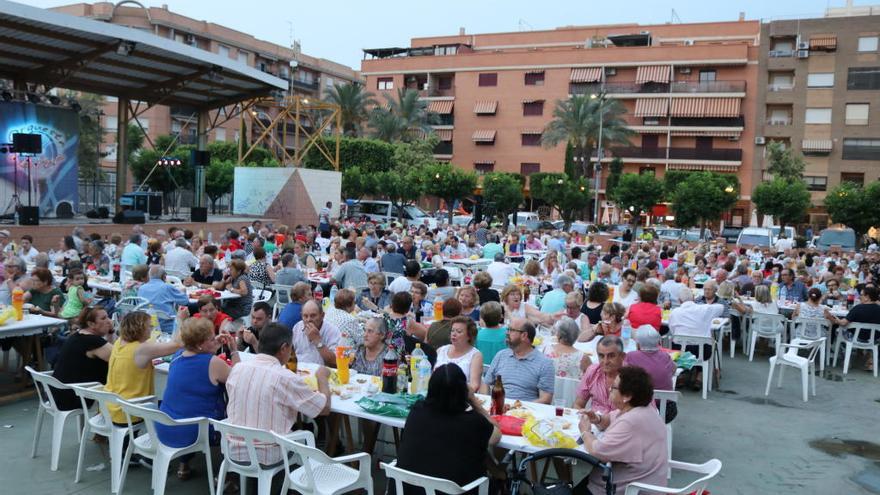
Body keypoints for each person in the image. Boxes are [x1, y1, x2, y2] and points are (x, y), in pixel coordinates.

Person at [226, 322, 331, 465]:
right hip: (268, 454)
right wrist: (322, 378)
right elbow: (323, 409)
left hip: (233, 450)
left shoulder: (237, 369)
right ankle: (298, 483)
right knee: (306, 436)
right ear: (284, 348)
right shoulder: (285, 378)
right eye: (291, 348)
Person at [397, 364, 500, 495]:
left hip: (406, 489)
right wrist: (473, 400)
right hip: (455, 490)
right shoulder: (474, 422)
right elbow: (496, 435)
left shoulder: (417, 411)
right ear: (463, 390)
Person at [155, 318, 238, 480]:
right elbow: (240, 378)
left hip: (165, 427)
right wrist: (234, 350)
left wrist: (213, 346)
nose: (215, 340)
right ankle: (227, 477)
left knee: (187, 407)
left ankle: (183, 465)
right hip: (192, 431)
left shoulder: (178, 356)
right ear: (200, 344)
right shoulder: (212, 363)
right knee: (235, 425)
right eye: (211, 338)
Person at [578, 366, 668, 495]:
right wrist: (597, 418)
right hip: (644, 481)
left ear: (627, 396)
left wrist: (585, 431)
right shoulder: (644, 409)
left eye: (614, 387)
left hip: (625, 488)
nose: (609, 389)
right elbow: (609, 418)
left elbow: (596, 450)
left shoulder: (631, 421)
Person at [105, 311, 182, 425]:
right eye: (149, 326)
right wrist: (181, 319)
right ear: (140, 328)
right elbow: (177, 345)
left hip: (110, 405)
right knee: (173, 406)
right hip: (130, 409)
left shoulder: (119, 342)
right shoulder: (141, 349)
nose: (151, 328)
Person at [49, 307, 114, 410]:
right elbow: (120, 358)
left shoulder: (77, 336)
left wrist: (110, 332)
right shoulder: (92, 342)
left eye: (108, 317)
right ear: (91, 324)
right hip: (74, 397)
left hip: (59, 392)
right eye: (104, 318)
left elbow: (111, 352)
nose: (109, 321)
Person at [481, 318, 555, 403]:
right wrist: (487, 402)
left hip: (526, 412)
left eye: (511, 330)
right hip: (497, 408)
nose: (507, 333)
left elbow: (546, 399)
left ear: (524, 335)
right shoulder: (501, 355)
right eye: (507, 329)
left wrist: (519, 408)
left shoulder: (544, 363)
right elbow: (486, 383)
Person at [825, 285, 880, 371]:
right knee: (871, 336)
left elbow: (843, 323)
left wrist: (832, 318)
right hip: (874, 340)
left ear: (867, 297)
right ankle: (870, 361)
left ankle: (847, 358)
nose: (859, 297)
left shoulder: (858, 308)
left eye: (861, 295)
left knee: (838, 331)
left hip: (856, 338)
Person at [574, 335, 625, 414]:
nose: (605, 361)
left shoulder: (631, 378)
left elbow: (636, 414)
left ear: (622, 356)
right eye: (601, 356)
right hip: (594, 422)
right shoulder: (592, 372)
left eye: (611, 356)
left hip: (619, 424)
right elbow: (578, 405)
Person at [435, 316, 484, 392]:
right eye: (452, 330)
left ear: (469, 336)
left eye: (459, 331)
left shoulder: (475, 355)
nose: (454, 334)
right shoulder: (441, 350)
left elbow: (474, 385)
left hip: (461, 397)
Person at [137, 265, 189, 332]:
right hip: (168, 327)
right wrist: (183, 292)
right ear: (164, 277)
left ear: (149, 276)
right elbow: (185, 301)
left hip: (147, 326)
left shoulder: (141, 288)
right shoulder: (167, 287)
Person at [624, 326, 675, 392]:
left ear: (638, 344)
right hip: (666, 400)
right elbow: (674, 369)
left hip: (640, 400)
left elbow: (622, 375)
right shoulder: (666, 356)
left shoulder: (631, 356)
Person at [291, 300, 340, 366]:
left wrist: (317, 341)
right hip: (300, 371)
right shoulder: (297, 327)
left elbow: (335, 361)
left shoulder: (332, 331)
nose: (309, 320)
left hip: (321, 372)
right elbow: (290, 353)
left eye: (313, 316)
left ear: (322, 315)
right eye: (305, 316)